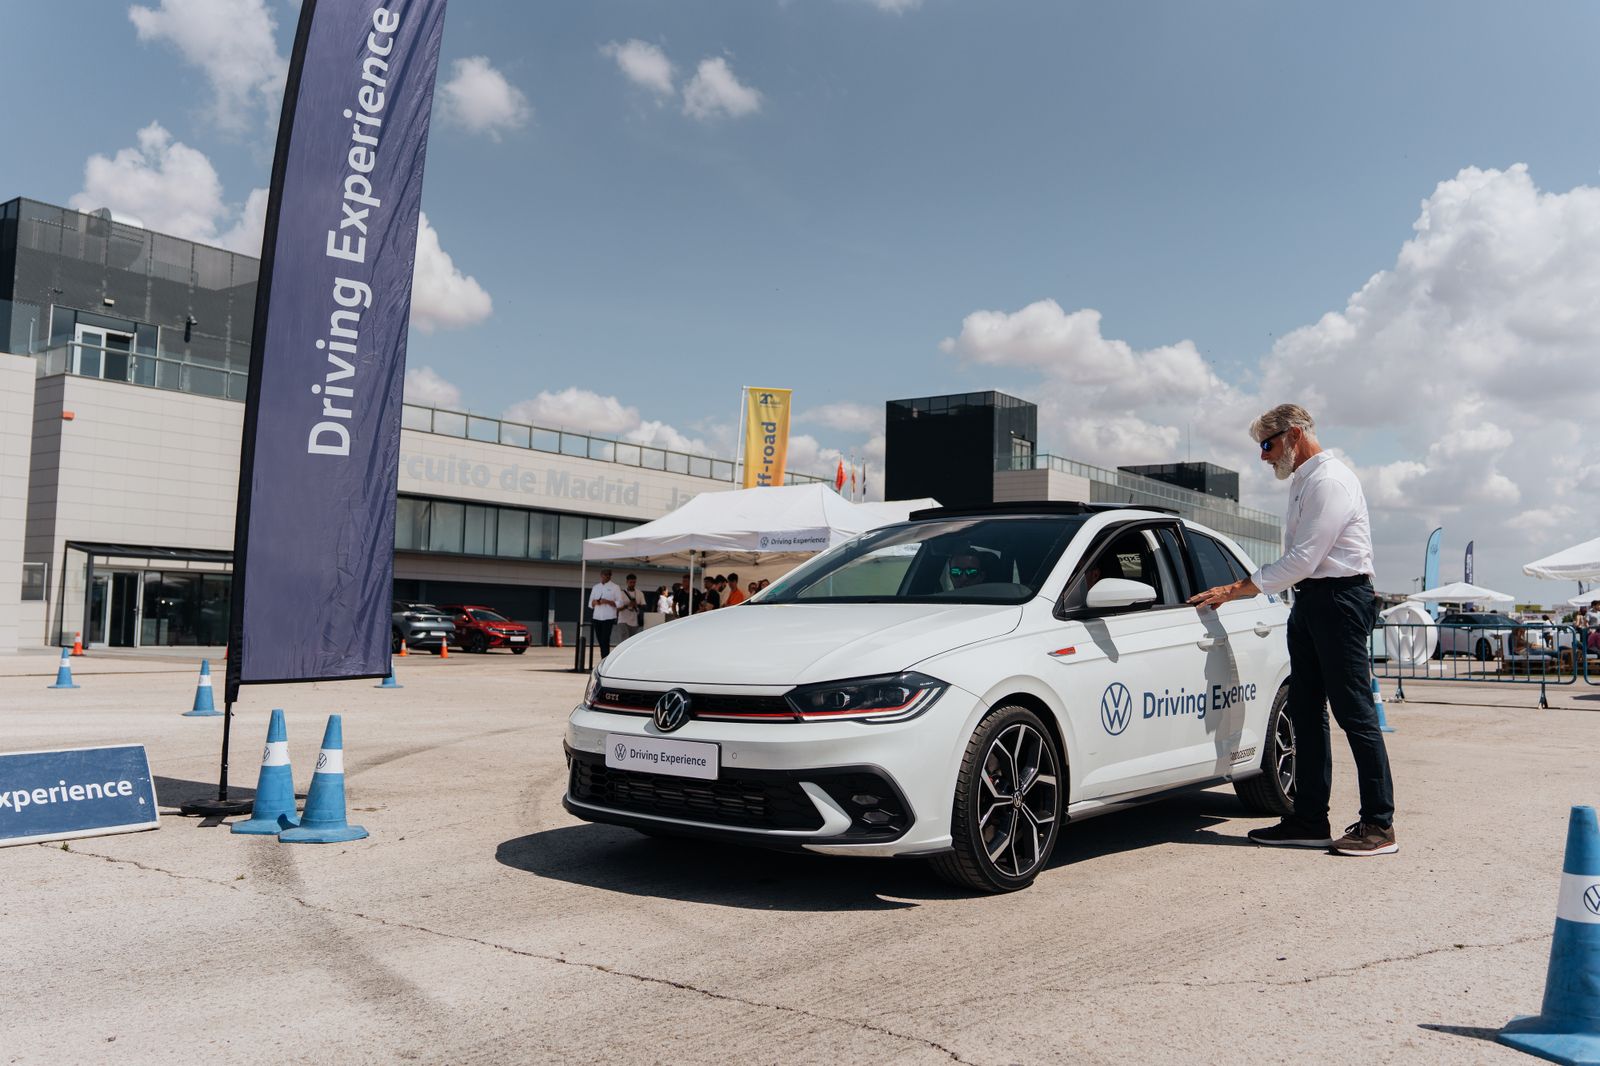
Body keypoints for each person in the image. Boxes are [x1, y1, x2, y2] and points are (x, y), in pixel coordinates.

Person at [1188, 403, 1397, 857]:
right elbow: (1304, 567)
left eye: (1267, 444)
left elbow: (1305, 558)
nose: (1263, 455)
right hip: (1311, 601)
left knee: (1355, 713)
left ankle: (1379, 826)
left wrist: (1237, 588)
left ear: (1295, 434)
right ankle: (1309, 819)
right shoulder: (1304, 480)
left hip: (1340, 600)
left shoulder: (1330, 481)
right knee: (1306, 711)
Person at [588, 568, 623, 658]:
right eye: (605, 574)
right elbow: (590, 603)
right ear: (601, 575)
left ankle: (605, 660)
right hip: (597, 617)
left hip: (608, 617)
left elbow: (620, 603)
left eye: (609, 574)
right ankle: (604, 659)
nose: (607, 576)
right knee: (600, 640)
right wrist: (595, 602)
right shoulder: (596, 587)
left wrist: (607, 602)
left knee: (605, 640)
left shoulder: (615, 587)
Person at [614, 574, 642, 643]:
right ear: (627, 582)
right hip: (623, 621)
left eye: (634, 582)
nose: (632, 584)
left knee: (631, 642)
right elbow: (617, 609)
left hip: (634, 621)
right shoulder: (621, 593)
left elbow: (644, 606)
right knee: (624, 641)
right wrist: (627, 605)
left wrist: (637, 604)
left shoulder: (639, 593)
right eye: (631, 582)